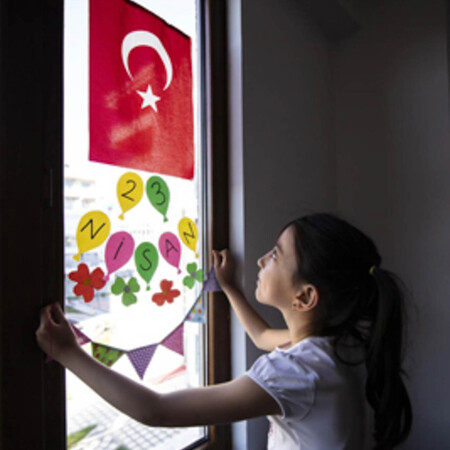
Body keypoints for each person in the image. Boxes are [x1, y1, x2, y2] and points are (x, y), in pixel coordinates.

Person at [36, 212, 412, 449]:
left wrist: (69, 353)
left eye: (276, 254)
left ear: (305, 296)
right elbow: (262, 337)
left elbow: (156, 410)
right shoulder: (337, 343)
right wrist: (229, 287)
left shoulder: (296, 372)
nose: (261, 260)